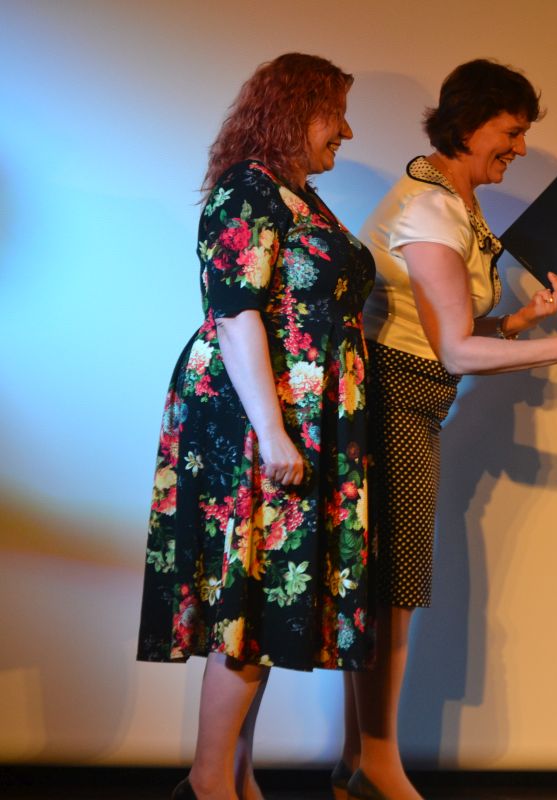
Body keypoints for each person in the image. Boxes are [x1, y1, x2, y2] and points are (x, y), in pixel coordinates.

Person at [334, 59, 557, 800]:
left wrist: (519, 322)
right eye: (511, 132)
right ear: (469, 124)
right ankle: (377, 766)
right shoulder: (431, 209)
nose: (520, 148)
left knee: (388, 586)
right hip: (393, 404)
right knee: (393, 589)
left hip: (412, 401)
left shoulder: (452, 201)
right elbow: (455, 351)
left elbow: (451, 329)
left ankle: (358, 764)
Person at [136, 53, 374, 800]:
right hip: (254, 417)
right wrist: (273, 433)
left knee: (264, 606)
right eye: (335, 114)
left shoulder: (301, 198)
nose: (346, 132)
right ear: (294, 111)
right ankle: (210, 782)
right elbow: (236, 313)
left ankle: (237, 778)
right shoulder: (249, 189)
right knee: (248, 598)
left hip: (295, 415)